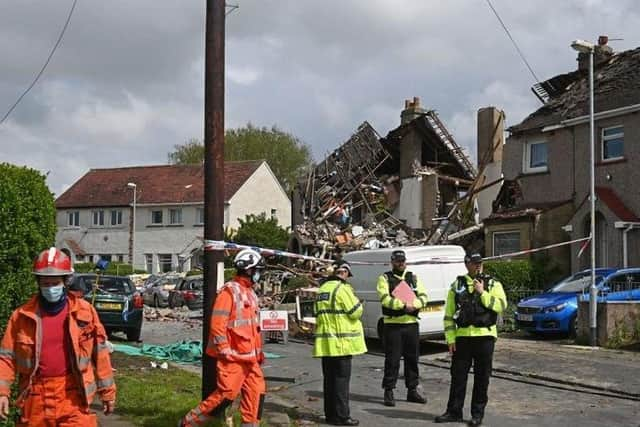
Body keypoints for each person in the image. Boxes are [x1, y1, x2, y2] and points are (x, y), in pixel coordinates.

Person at [0, 247, 116, 426]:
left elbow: (100, 354)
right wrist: (2, 393)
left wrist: (107, 392)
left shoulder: (85, 313)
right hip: (36, 398)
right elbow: (6, 358)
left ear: (65, 281)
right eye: (45, 283)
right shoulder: (21, 316)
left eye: (55, 283)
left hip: (73, 395)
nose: (50, 288)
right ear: (38, 282)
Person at [180, 249, 266, 427]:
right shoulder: (229, 292)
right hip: (233, 358)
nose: (260, 274)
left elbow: (253, 328)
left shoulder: (250, 293)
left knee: (257, 392)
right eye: (258, 270)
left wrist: (259, 354)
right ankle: (189, 422)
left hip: (250, 360)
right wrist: (225, 350)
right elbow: (218, 324)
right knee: (227, 395)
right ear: (249, 270)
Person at [435, 253, 507, 426]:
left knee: (482, 378)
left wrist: (482, 293)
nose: (478, 266)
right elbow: (449, 316)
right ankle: (454, 411)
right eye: (474, 263)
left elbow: (501, 305)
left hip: (485, 337)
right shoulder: (457, 285)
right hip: (463, 339)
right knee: (458, 377)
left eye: (480, 263)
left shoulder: (492, 283)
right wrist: (450, 339)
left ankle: (477, 414)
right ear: (466, 264)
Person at [314, 262, 366, 426]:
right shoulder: (342, 289)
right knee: (341, 382)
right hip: (341, 343)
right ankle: (343, 416)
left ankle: (330, 415)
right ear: (344, 273)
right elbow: (355, 312)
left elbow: (317, 312)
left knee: (329, 381)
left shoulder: (322, 290)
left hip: (326, 344)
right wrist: (359, 302)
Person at [376, 249, 428, 407]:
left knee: (413, 359)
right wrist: (402, 305)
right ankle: (389, 391)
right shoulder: (384, 278)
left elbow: (424, 297)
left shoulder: (413, 277)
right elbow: (384, 298)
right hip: (393, 325)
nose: (401, 263)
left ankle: (412, 390)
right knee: (392, 359)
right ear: (392, 262)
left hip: (411, 324)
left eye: (403, 261)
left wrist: (414, 305)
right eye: (398, 261)